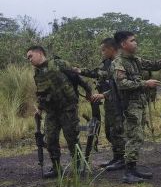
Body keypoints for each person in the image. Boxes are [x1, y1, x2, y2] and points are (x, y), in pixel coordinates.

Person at [112, 31, 161, 183]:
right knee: (134, 137)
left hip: (139, 104)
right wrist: (144, 83)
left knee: (138, 136)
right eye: (132, 40)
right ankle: (128, 172)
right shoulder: (119, 63)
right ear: (123, 44)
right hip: (129, 106)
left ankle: (133, 169)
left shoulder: (135, 60)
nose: (136, 43)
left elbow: (154, 65)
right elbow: (121, 84)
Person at [26, 45, 93, 177]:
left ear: (39, 53)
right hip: (51, 111)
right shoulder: (38, 74)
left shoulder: (58, 63)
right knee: (50, 139)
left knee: (72, 138)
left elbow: (77, 78)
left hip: (67, 108)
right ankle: (56, 168)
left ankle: (79, 167)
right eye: (28, 58)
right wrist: (39, 110)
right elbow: (41, 93)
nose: (29, 60)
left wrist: (88, 92)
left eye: (30, 56)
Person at [77, 38, 126, 170]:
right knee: (110, 132)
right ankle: (116, 157)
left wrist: (104, 95)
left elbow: (119, 87)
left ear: (111, 49)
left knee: (118, 131)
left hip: (118, 102)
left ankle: (122, 159)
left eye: (104, 50)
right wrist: (80, 71)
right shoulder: (106, 63)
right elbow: (96, 73)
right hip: (109, 103)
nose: (102, 53)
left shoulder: (121, 63)